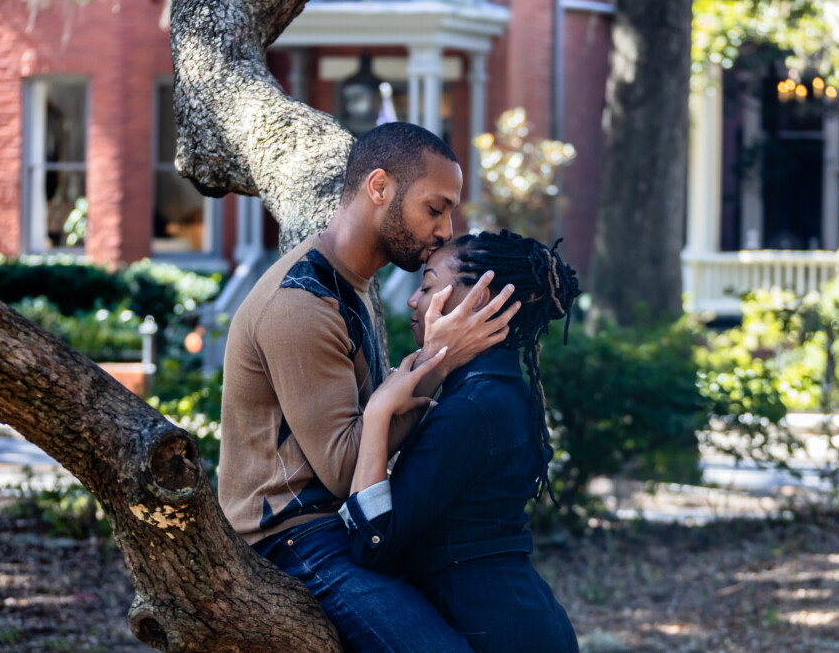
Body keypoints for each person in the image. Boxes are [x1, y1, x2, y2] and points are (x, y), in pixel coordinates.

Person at [218, 123, 520, 652]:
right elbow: (341, 472)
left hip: (342, 528)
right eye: (435, 208)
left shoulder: (352, 281)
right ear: (379, 188)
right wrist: (439, 359)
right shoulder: (300, 304)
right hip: (292, 538)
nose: (447, 229)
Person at [340, 230, 581, 652]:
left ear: (482, 299)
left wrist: (378, 414)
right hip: (518, 621)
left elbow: (372, 543)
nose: (414, 301)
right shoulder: (499, 389)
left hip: (497, 634)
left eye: (428, 285)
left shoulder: (474, 406)